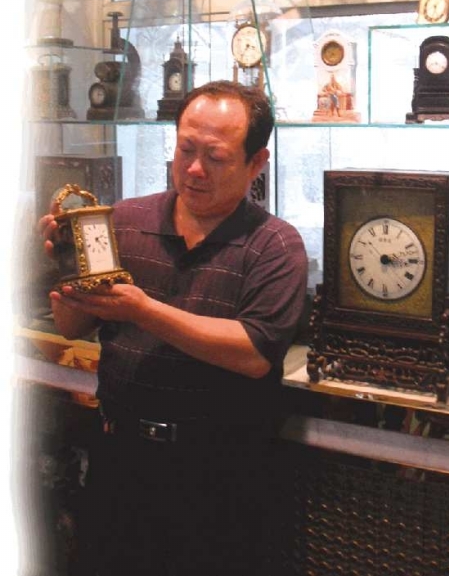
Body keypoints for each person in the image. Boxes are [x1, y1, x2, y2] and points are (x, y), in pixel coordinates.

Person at [39, 80, 308, 576]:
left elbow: (253, 353)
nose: (195, 169)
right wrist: (67, 271)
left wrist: (144, 310)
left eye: (216, 157)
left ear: (256, 163)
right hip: (119, 459)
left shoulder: (274, 245)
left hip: (221, 474)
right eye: (186, 150)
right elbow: (73, 326)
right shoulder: (125, 220)